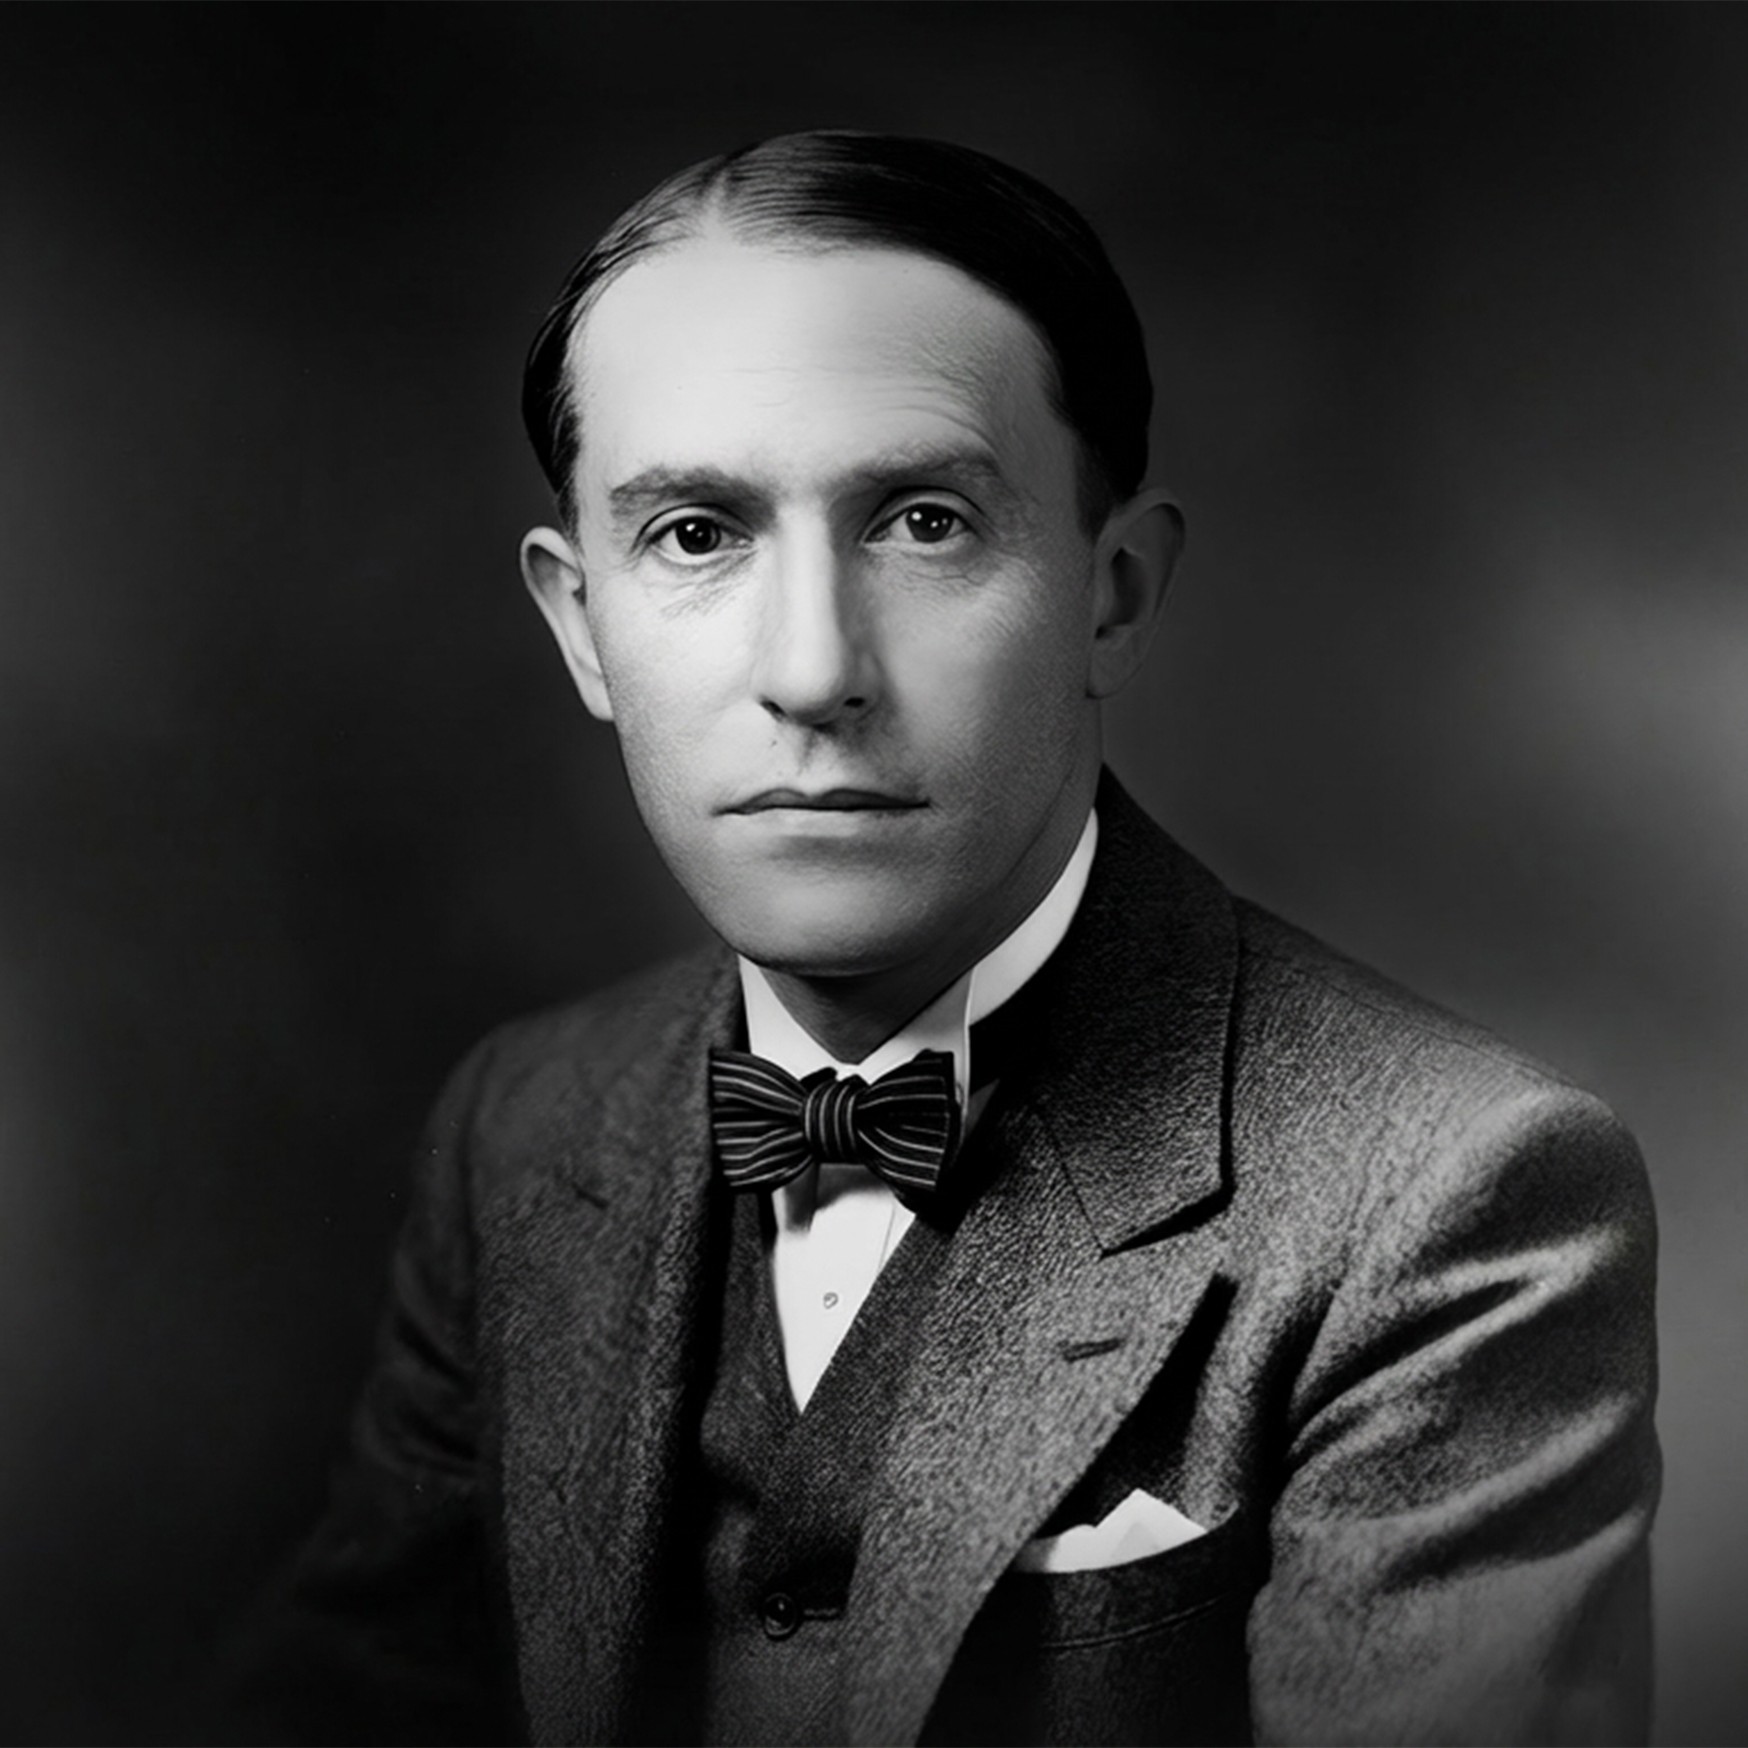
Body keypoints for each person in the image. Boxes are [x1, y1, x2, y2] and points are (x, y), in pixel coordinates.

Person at [226, 131, 1659, 1746]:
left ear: (1111, 593)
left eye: (920, 522)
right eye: (696, 534)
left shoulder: (1459, 1202)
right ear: (581, 628)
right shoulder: (522, 1122)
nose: (814, 670)